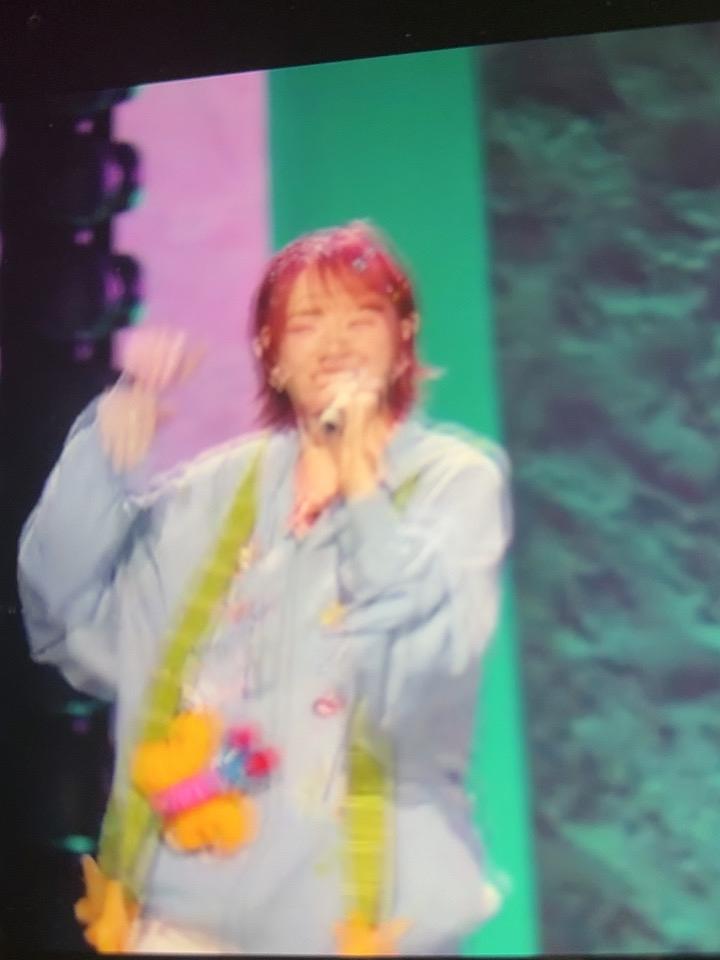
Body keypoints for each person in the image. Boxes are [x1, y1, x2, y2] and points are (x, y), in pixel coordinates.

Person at [18, 221, 512, 956]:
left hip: (359, 930)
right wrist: (101, 458)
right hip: (179, 919)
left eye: (361, 318)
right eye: (306, 324)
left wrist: (362, 487)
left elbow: (422, 658)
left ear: (403, 337)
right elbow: (66, 615)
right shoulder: (213, 491)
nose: (335, 343)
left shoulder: (454, 483)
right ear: (271, 355)